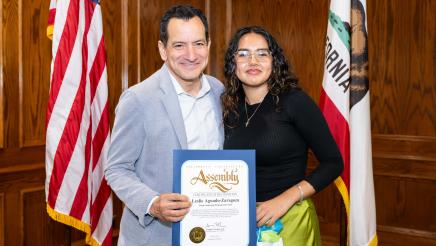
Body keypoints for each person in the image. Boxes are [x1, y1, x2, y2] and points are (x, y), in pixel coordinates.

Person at [105, 5, 223, 245]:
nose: (191, 55)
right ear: (162, 49)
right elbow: (116, 168)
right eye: (179, 45)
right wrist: (152, 204)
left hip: (213, 230)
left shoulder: (220, 92)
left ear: (208, 46)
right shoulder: (138, 99)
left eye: (199, 44)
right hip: (155, 236)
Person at [222, 26, 343, 245]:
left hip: (290, 218)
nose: (253, 61)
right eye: (243, 54)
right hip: (241, 222)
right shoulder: (230, 108)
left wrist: (284, 200)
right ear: (233, 63)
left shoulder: (294, 101)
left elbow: (333, 163)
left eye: (262, 53)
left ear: (274, 61)